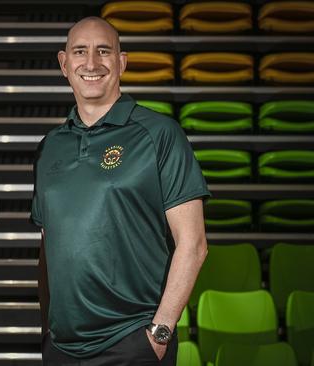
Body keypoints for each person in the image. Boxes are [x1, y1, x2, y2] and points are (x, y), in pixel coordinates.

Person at [31, 17, 210, 365]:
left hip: (132, 343)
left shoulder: (159, 134)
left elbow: (194, 244)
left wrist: (159, 333)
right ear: (64, 64)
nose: (92, 63)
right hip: (63, 348)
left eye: (104, 51)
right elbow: (48, 245)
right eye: (80, 52)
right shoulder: (50, 146)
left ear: (122, 62)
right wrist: (48, 331)